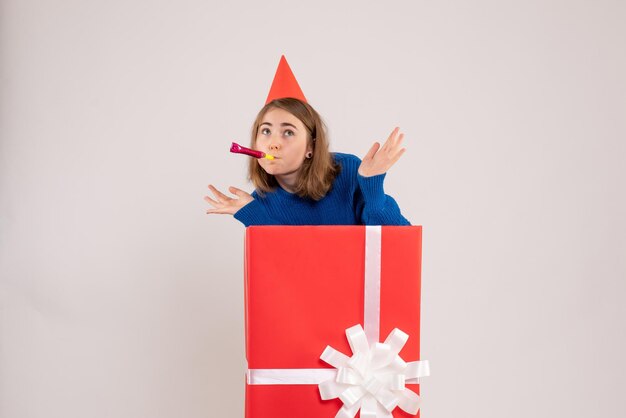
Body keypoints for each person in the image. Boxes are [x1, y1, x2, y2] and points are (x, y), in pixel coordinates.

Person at [204, 57, 410, 226]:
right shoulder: (259, 203)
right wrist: (255, 216)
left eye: (288, 132)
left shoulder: (348, 172)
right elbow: (281, 267)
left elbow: (397, 240)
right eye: (265, 130)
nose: (273, 143)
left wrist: (371, 183)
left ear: (310, 146)